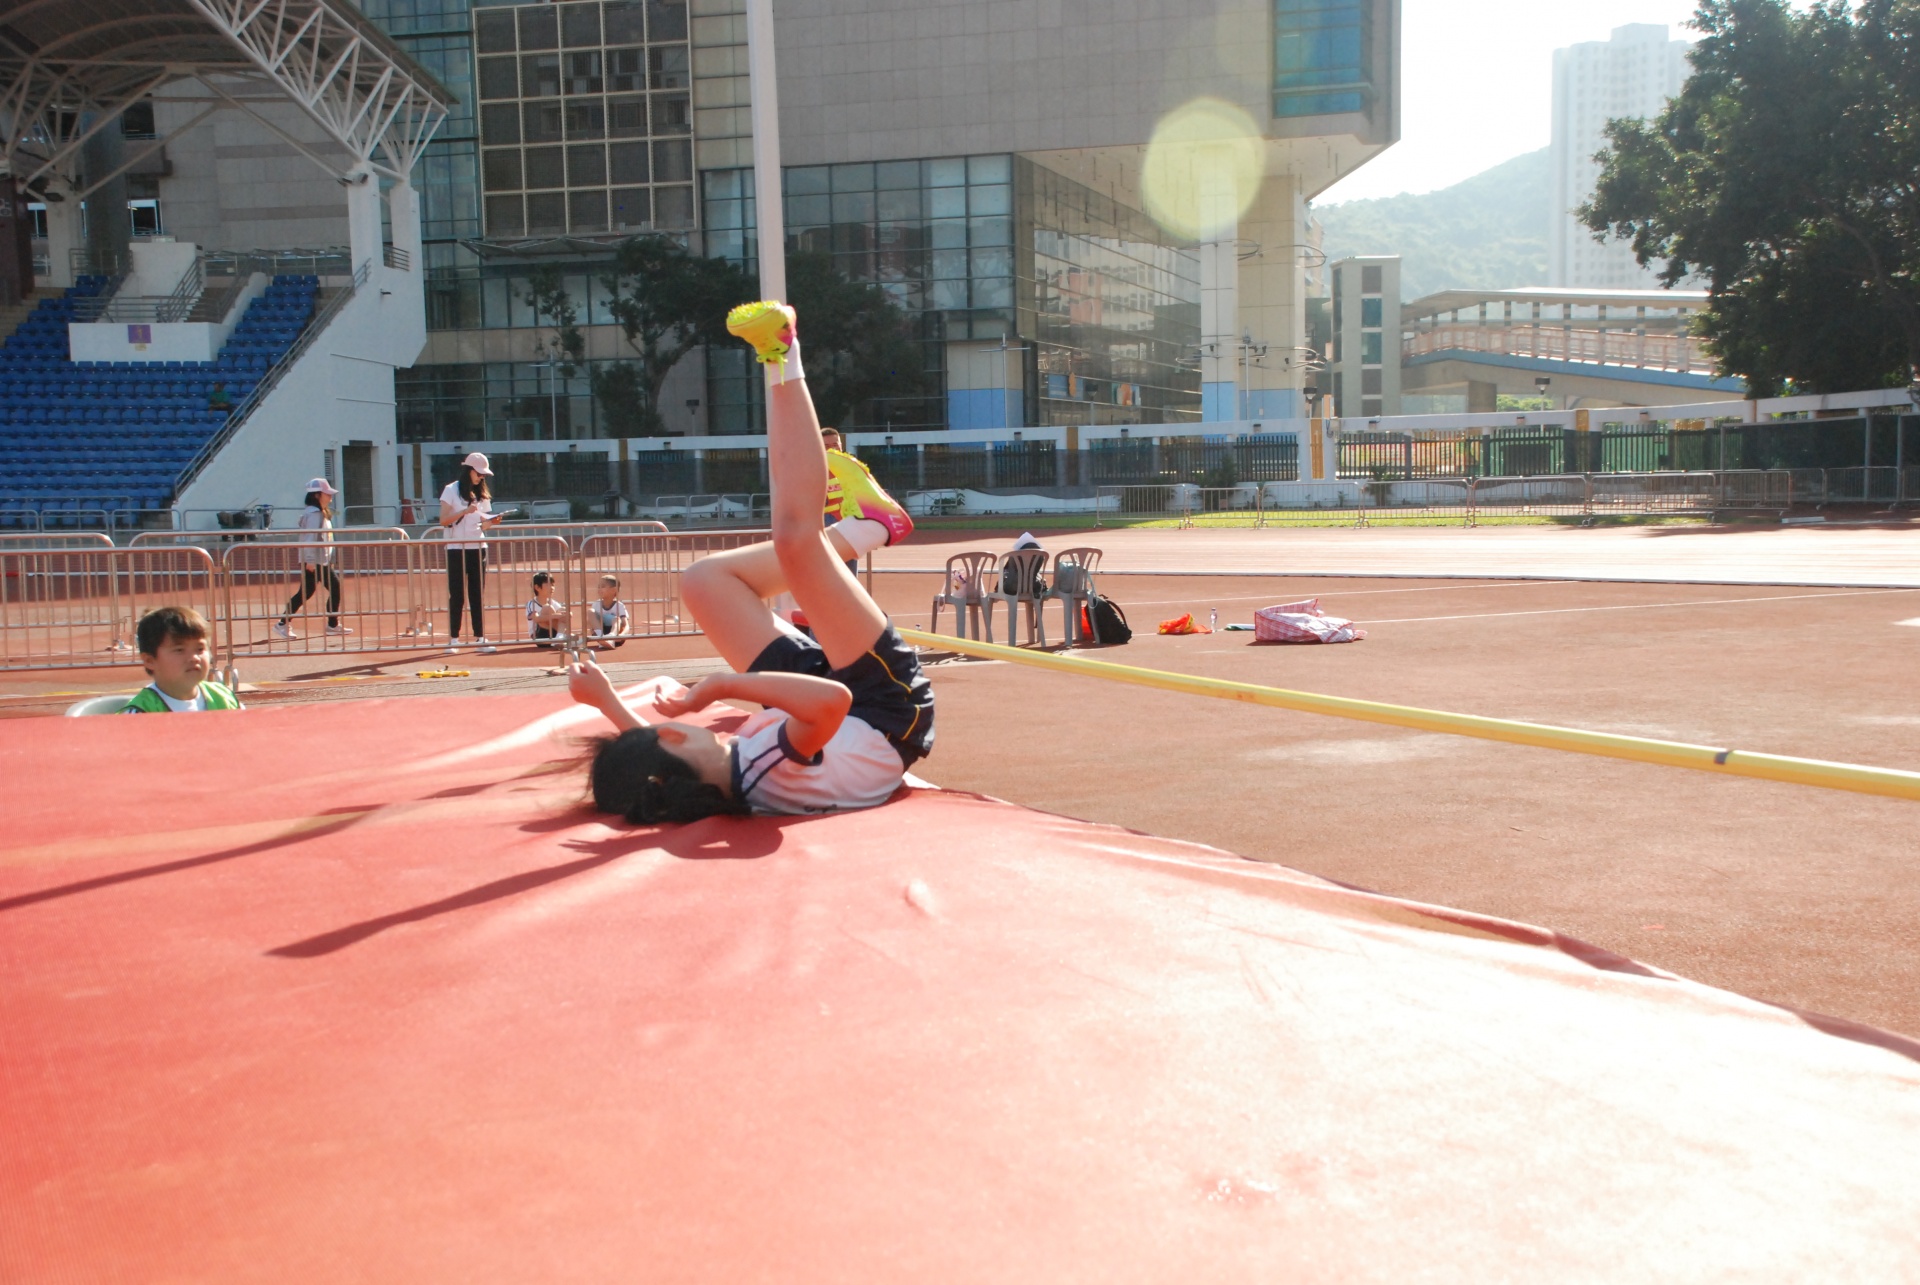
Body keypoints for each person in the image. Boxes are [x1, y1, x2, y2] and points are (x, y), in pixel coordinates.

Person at [569, 299, 934, 821]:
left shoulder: (728, 781)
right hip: (883, 707)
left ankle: (860, 531)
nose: (670, 729)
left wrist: (607, 702)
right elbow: (831, 702)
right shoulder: (770, 769)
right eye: (666, 734)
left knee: (704, 581)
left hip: (824, 714)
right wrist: (721, 686)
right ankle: (783, 355)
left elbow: (660, 768)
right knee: (795, 540)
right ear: (675, 747)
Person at [440, 451, 505, 654]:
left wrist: (491, 522)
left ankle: (480, 637)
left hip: (477, 547)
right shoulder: (451, 490)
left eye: (484, 475)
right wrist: (463, 511)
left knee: (477, 594)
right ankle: (453, 639)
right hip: (456, 548)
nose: (481, 477)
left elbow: (483, 525)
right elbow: (443, 520)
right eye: (479, 473)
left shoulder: (482, 493)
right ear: (469, 470)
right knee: (457, 595)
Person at [122, 606, 242, 713]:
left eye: (200, 649)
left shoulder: (224, 698)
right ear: (150, 661)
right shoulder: (140, 713)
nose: (194, 658)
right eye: (179, 650)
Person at [273, 477, 350, 640]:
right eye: (327, 493)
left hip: (320, 560)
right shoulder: (314, 514)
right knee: (324, 589)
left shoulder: (320, 513)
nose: (330, 496)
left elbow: (326, 538)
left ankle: (330, 624)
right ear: (317, 495)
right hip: (315, 561)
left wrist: (329, 559)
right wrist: (310, 560)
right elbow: (310, 538)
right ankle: (284, 623)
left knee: (309, 592)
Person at [526, 570, 570, 646]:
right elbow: (537, 619)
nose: (552, 588)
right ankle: (563, 638)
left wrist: (567, 614)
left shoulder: (553, 602)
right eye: (548, 585)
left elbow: (566, 615)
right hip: (540, 636)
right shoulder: (531, 604)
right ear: (537, 587)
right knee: (547, 608)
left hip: (554, 633)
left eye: (553, 585)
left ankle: (559, 637)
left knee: (562, 610)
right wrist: (556, 616)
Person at [587, 575, 630, 650]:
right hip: (601, 631)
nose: (599, 589)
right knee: (590, 611)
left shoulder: (619, 605)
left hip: (617, 636)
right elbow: (591, 622)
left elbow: (626, 625)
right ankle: (601, 638)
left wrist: (622, 635)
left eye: (603, 586)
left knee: (616, 619)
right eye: (599, 587)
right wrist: (593, 631)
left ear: (614, 590)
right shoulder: (596, 604)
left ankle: (611, 638)